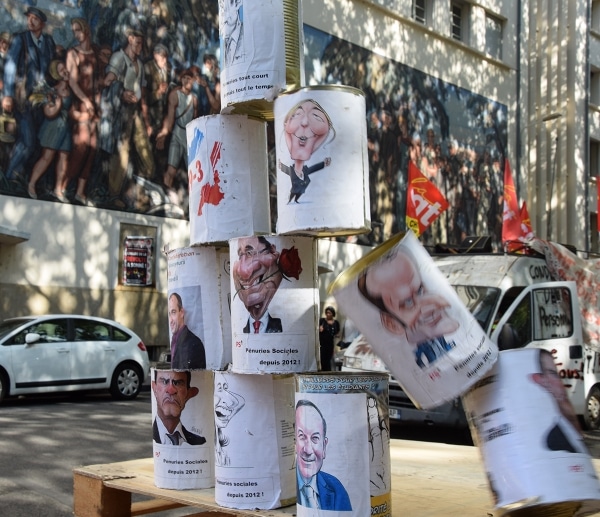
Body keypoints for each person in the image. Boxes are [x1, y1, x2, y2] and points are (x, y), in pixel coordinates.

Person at [358, 246, 459, 369]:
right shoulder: (415, 364)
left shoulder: (464, 338)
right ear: (392, 324)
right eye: (408, 302)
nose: (427, 305)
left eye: (421, 290)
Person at [3, 6, 57, 182]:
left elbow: (52, 71)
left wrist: (51, 93)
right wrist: (8, 95)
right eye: (29, 18)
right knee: (27, 141)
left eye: (34, 18)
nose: (30, 21)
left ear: (42, 23)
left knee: (37, 143)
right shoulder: (21, 39)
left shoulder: (48, 42)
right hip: (22, 99)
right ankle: (10, 176)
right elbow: (10, 67)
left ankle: (21, 177)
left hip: (41, 102)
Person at [103, 28, 155, 205]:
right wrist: (121, 92)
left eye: (141, 43)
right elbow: (106, 82)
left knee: (145, 153)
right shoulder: (119, 58)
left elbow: (143, 95)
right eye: (137, 42)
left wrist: (147, 121)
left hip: (136, 112)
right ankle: (114, 195)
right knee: (122, 154)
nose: (139, 46)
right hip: (122, 112)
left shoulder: (139, 63)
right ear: (129, 38)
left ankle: (138, 193)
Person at [27, 59, 74, 201]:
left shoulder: (70, 89)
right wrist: (58, 105)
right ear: (56, 74)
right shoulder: (51, 91)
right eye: (61, 70)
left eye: (65, 68)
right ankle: (32, 184)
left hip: (65, 129)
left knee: (64, 158)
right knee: (47, 157)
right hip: (52, 129)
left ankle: (58, 189)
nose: (65, 71)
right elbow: (49, 113)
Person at [65, 18, 100, 206]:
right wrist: (86, 101)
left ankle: (80, 192)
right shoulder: (73, 53)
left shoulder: (93, 54)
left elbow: (96, 82)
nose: (76, 34)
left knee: (92, 149)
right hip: (80, 105)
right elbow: (72, 82)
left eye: (78, 30)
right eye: (73, 31)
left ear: (86, 30)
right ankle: (63, 186)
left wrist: (97, 103)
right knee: (81, 147)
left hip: (94, 107)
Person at [295, 399, 352, 511]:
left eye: (315, 438)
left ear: (324, 446)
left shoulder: (336, 489)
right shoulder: (286, 489)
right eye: (301, 436)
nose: (308, 450)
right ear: (294, 440)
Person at [531, 349, 587, 454]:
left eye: (558, 374)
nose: (561, 383)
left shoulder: (571, 432)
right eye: (553, 374)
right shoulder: (554, 441)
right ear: (541, 381)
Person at [279, 99, 334, 203]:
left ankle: (295, 201)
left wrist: (323, 164)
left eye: (316, 116)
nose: (304, 122)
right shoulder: (292, 171)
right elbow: (286, 169)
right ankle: (291, 201)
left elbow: (313, 168)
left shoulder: (305, 172)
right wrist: (280, 165)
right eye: (296, 115)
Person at [155, 68, 198, 189]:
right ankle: (165, 194)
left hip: (189, 137)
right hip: (177, 134)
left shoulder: (194, 99)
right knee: (171, 170)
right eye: (184, 78)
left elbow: (195, 120)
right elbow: (170, 117)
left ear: (193, 81)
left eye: (189, 79)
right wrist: (164, 134)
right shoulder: (175, 95)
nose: (186, 81)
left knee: (193, 173)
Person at [232, 236, 283, 333]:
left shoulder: (280, 324)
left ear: (272, 251)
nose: (243, 270)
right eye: (240, 256)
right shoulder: (240, 330)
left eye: (250, 253)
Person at [152, 369, 206, 446]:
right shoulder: (151, 443)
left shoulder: (199, 442)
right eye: (164, 382)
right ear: (154, 389)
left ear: (188, 394)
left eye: (178, 383)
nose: (171, 390)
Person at [214, 371, 246, 466]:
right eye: (219, 389)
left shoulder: (221, 452)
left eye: (226, 389)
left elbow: (240, 402)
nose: (231, 402)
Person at [168, 292, 206, 370]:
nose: (170, 320)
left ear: (181, 312)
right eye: (169, 314)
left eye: (173, 312)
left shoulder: (195, 343)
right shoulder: (174, 340)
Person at [220, 0, 244, 67]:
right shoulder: (225, 43)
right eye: (221, 8)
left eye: (225, 9)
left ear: (238, 3)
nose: (223, 17)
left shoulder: (247, 37)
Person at [319, 306, 339, 372]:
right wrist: (320, 329)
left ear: (332, 314)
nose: (328, 314)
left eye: (329, 313)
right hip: (323, 344)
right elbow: (318, 329)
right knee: (323, 359)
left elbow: (337, 332)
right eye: (327, 313)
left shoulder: (336, 323)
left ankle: (328, 372)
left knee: (329, 359)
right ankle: (323, 372)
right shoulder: (322, 321)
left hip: (330, 344)